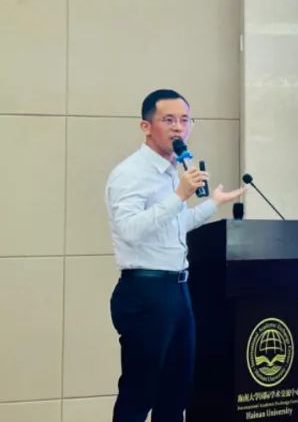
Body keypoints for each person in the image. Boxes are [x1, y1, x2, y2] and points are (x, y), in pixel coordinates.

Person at [105, 89, 246, 422]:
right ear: (146, 126)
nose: (178, 127)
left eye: (185, 120)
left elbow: (175, 225)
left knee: (176, 393)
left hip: (178, 290)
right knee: (139, 393)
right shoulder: (130, 174)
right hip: (145, 291)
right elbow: (130, 230)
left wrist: (212, 204)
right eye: (168, 120)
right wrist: (180, 195)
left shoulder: (173, 172)